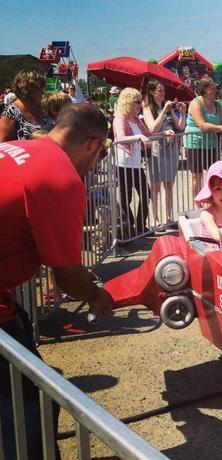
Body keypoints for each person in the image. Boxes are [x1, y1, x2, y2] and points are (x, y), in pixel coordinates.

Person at [0, 103, 113, 459]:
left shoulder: (16, 146)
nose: (93, 165)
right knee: (34, 396)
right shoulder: (61, 177)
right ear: (93, 144)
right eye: (98, 155)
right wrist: (97, 295)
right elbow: (66, 275)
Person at [142, 79, 186, 227]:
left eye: (163, 91)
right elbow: (152, 128)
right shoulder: (147, 107)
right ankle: (155, 220)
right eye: (160, 91)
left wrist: (182, 113)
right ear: (152, 92)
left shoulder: (168, 106)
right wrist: (163, 112)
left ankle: (168, 217)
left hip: (171, 149)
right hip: (156, 150)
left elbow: (180, 127)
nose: (163, 94)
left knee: (169, 185)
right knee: (155, 187)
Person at [184, 76, 222, 201]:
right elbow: (202, 124)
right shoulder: (196, 103)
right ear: (204, 89)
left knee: (214, 174)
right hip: (195, 143)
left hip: (211, 144)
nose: (215, 90)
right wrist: (220, 128)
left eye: (215, 88)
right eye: (212, 88)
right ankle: (197, 201)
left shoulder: (217, 104)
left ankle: (211, 199)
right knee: (197, 175)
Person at [113, 87, 151, 235]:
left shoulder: (135, 119)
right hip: (123, 164)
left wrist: (164, 133)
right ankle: (129, 227)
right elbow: (120, 138)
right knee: (125, 198)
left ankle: (141, 226)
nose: (139, 104)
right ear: (128, 102)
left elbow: (148, 134)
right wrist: (139, 137)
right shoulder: (119, 118)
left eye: (140, 101)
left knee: (145, 194)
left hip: (135, 164)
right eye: (137, 102)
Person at [0, 70, 53, 141]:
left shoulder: (44, 107)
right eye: (40, 88)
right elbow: (2, 145)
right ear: (28, 90)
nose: (43, 92)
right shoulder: (11, 112)